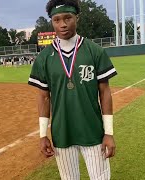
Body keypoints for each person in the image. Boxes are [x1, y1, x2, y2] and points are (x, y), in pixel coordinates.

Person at [28, 0, 118, 179]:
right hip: (62, 133)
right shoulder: (44, 58)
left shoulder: (94, 51)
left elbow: (105, 92)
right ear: (52, 21)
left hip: (93, 131)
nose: (62, 24)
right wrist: (42, 134)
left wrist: (109, 133)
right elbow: (44, 97)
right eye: (57, 20)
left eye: (68, 18)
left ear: (77, 18)